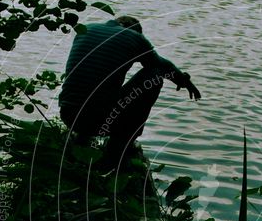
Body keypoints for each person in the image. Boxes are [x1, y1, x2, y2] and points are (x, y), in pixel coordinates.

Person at [59, 15, 200, 166]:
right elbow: (160, 66)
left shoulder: (86, 29)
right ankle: (117, 151)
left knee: (93, 84)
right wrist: (182, 80)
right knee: (154, 76)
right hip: (98, 121)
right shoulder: (135, 37)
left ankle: (81, 137)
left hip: (68, 114)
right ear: (137, 31)